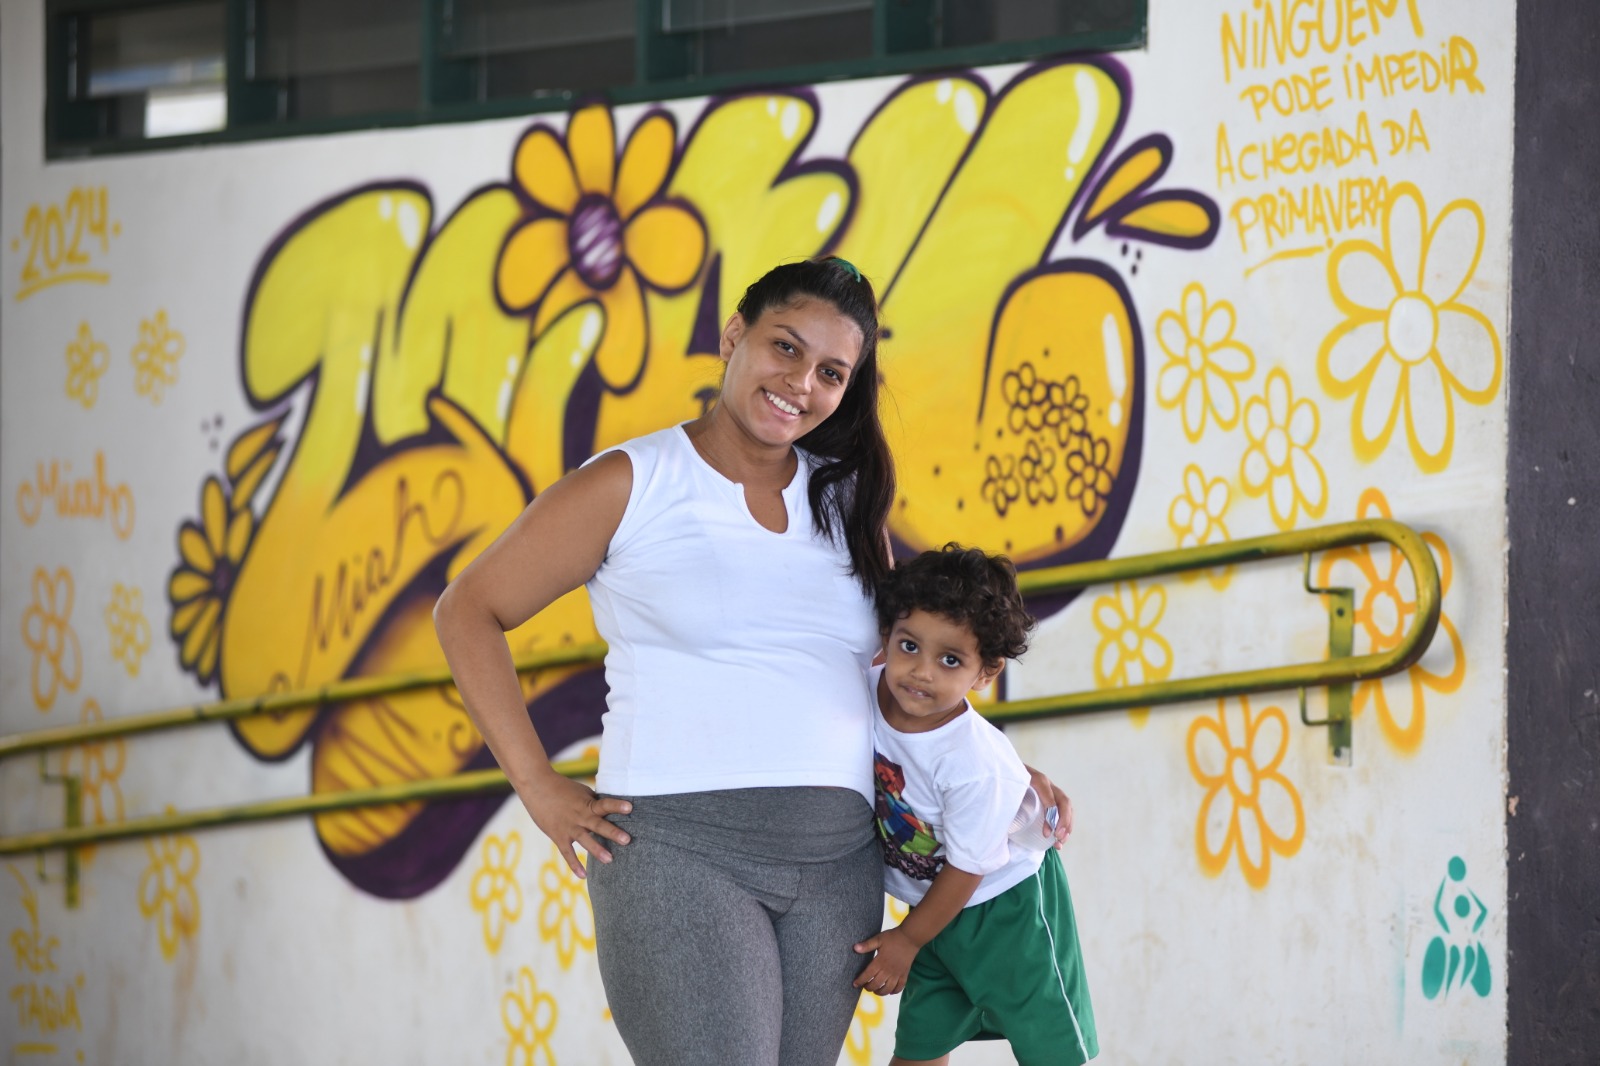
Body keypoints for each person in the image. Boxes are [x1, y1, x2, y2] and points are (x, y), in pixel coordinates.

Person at [434, 257, 1067, 1066]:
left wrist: (998, 768)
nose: (802, 383)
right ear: (735, 336)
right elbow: (468, 612)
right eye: (785, 348)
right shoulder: (633, 482)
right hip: (680, 852)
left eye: (832, 372)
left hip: (837, 865)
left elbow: (899, 679)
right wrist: (538, 785)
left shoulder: (846, 501)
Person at [852, 544, 1097, 1066]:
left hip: (1007, 907)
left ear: (986, 672)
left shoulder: (974, 763)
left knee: (1051, 1052)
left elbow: (967, 866)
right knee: (919, 1050)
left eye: (950, 660)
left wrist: (908, 939)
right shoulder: (863, 688)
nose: (921, 672)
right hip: (935, 910)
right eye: (909, 645)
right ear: (886, 638)